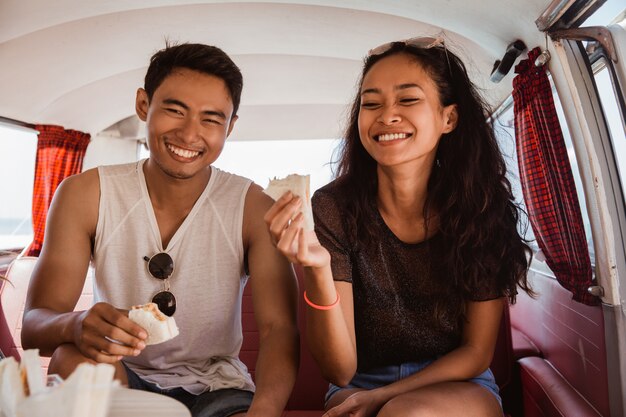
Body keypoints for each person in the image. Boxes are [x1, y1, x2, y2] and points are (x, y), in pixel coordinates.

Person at [22, 43, 299, 417]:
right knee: (70, 359)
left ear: (230, 126)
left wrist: (264, 411)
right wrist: (75, 324)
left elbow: (278, 329)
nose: (189, 134)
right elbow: (34, 324)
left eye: (211, 119)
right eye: (174, 110)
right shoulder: (85, 194)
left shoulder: (253, 206)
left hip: (219, 389)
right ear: (143, 105)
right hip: (122, 375)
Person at [265, 36, 532, 416]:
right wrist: (317, 268)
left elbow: (476, 353)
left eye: (407, 100)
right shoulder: (331, 207)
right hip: (360, 383)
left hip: (459, 382)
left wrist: (384, 400)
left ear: (448, 118)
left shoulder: (482, 209)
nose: (386, 115)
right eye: (371, 103)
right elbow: (339, 371)